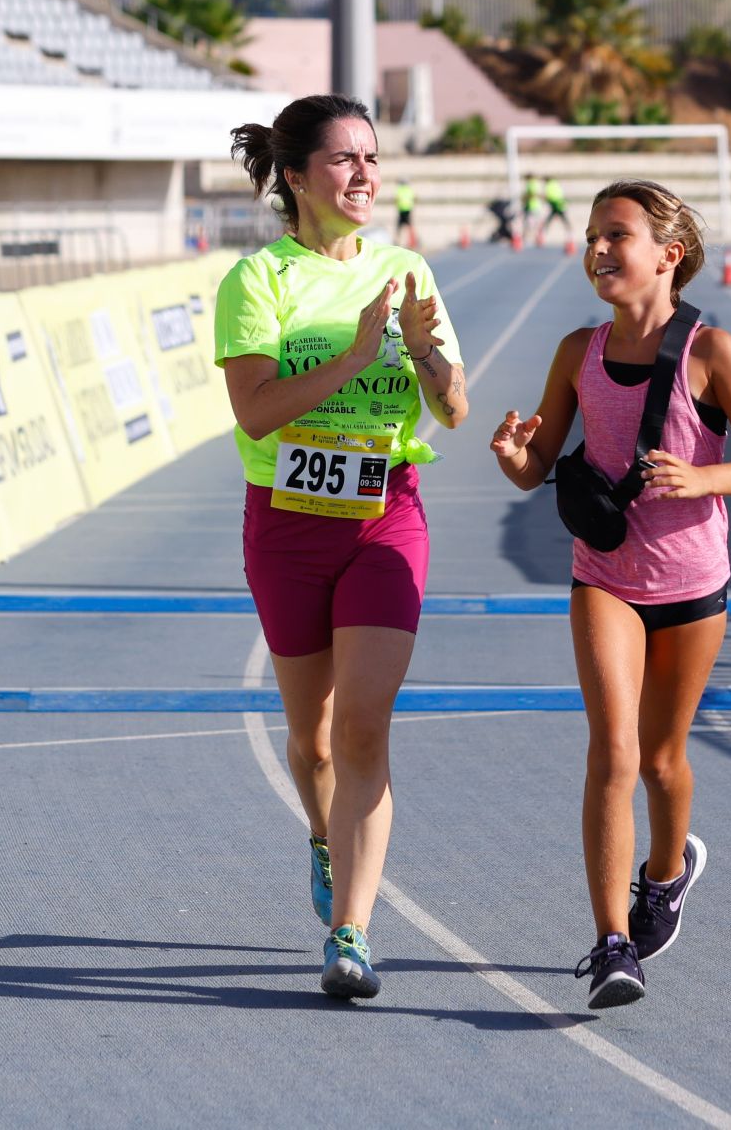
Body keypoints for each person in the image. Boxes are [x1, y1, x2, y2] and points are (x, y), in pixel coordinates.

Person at [489, 179, 731, 1009]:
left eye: (617, 235)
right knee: (614, 753)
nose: (598, 250)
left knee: (663, 760)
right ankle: (613, 941)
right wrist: (513, 453)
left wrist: (703, 477)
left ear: (670, 254)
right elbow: (535, 465)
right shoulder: (575, 352)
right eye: (591, 235)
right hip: (606, 577)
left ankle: (667, 871)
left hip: (693, 585)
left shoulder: (713, 354)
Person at [215, 94, 470, 1001]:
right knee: (313, 741)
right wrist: (357, 357)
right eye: (344, 160)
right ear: (295, 176)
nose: (366, 175)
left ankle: (350, 933)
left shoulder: (406, 271)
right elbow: (255, 410)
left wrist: (423, 355)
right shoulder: (258, 282)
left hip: (385, 516)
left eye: (373, 158)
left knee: (366, 724)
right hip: (286, 524)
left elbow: (453, 407)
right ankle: (323, 836)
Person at [540, 175, 572, 246]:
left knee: (551, 219)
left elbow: (548, 195)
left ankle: (543, 234)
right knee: (562, 219)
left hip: (556, 204)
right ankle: (569, 234)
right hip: (560, 203)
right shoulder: (555, 183)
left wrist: (544, 200)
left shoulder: (548, 185)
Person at [394, 179, 417, 248]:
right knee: (409, 227)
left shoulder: (399, 189)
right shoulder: (409, 189)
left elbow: (397, 199)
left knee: (399, 227)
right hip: (408, 210)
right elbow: (413, 199)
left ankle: (397, 242)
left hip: (401, 210)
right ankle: (412, 242)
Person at [523, 173, 545, 244]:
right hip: (535, 206)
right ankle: (537, 238)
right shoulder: (535, 183)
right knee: (534, 223)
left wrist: (525, 197)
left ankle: (529, 238)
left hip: (532, 206)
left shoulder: (531, 184)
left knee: (530, 223)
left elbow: (533, 194)